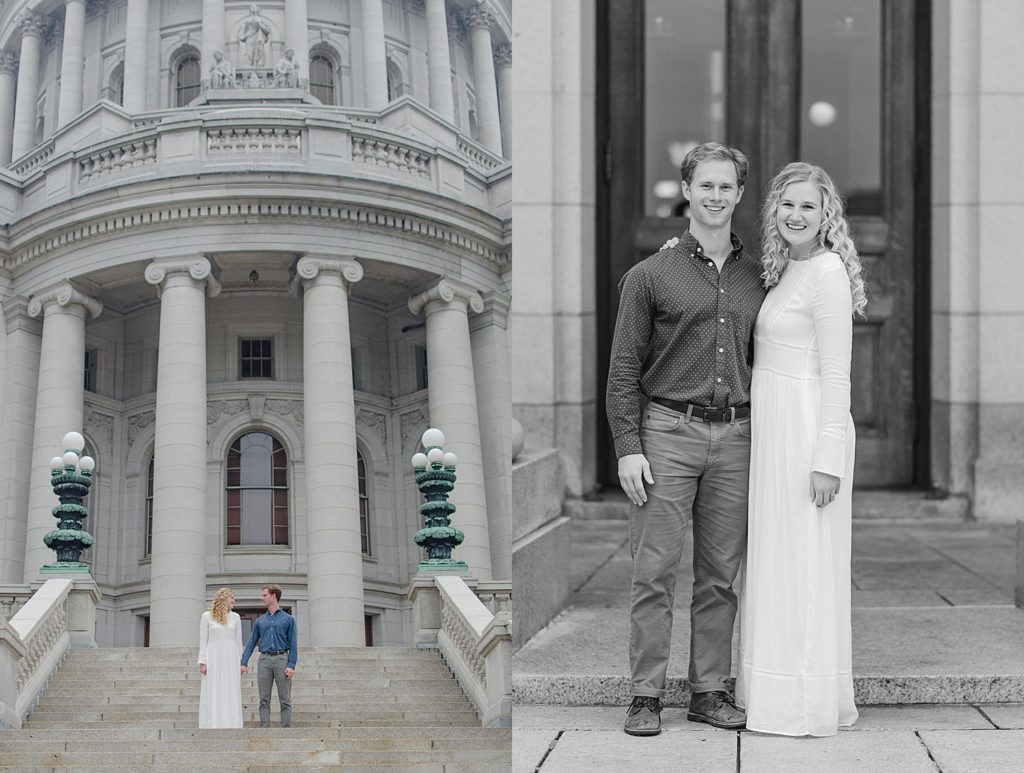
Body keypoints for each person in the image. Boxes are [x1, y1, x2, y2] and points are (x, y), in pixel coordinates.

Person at [606, 141, 767, 736]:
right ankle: (645, 695)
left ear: (739, 195)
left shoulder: (759, 277)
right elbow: (623, 370)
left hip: (737, 435)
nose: (717, 196)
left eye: (727, 187)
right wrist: (628, 447)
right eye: (707, 186)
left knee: (720, 575)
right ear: (688, 190)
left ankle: (709, 690)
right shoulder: (649, 275)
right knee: (654, 571)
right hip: (668, 432)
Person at [736, 161, 865, 736]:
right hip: (774, 431)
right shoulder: (786, 268)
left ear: (825, 215)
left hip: (809, 429)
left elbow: (837, 374)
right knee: (776, 562)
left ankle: (806, 700)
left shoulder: (829, 273)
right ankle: (772, 690)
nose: (796, 215)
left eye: (808, 206)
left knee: (805, 563)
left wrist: (827, 460)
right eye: (787, 205)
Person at [240, 584, 298, 728]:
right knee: (264, 699)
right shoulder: (260, 621)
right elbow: (251, 642)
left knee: (285, 699)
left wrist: (291, 665)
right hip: (264, 660)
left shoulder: (288, 619)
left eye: (265, 595)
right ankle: (264, 728)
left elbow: (293, 644)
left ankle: (285, 728)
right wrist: (244, 662)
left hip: (282, 660)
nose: (262, 598)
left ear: (273, 596)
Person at [198, 587, 244, 728]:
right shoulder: (206, 616)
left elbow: (239, 641)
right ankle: (212, 722)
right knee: (213, 687)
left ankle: (232, 723)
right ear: (223, 599)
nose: (233, 601)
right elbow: (203, 640)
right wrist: (202, 661)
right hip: (213, 656)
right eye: (231, 598)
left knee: (230, 688)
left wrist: (241, 662)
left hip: (231, 656)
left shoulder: (236, 617)